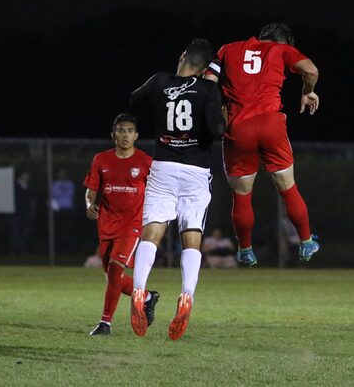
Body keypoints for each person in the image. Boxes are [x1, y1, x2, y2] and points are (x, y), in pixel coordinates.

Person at [128, 38, 225, 340]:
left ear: (182, 56)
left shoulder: (159, 81)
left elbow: (134, 99)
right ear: (204, 68)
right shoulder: (208, 89)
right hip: (196, 171)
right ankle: (186, 295)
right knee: (192, 235)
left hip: (163, 168)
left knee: (152, 231)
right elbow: (218, 131)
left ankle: (139, 289)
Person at [203, 23, 320, 267]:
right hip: (270, 124)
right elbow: (310, 70)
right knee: (288, 189)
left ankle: (245, 249)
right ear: (283, 42)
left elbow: (208, 80)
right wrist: (308, 91)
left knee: (242, 196)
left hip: (238, 128)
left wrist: (215, 113)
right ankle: (306, 241)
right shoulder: (280, 50)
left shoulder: (228, 49)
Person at [84, 113, 157, 336]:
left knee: (116, 268)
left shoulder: (146, 162)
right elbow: (91, 191)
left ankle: (105, 323)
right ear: (113, 135)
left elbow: (157, 192)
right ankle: (146, 297)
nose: (125, 135)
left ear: (136, 136)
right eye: (121, 130)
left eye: (129, 131)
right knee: (112, 277)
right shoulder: (101, 160)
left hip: (132, 225)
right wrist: (89, 204)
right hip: (106, 224)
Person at [50, 169, 78, 255]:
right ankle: (58, 251)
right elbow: (53, 196)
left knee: (68, 231)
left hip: (68, 210)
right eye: (60, 173)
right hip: (58, 211)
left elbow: (70, 195)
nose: (62, 175)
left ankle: (69, 250)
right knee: (58, 231)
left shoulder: (70, 184)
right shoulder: (54, 185)